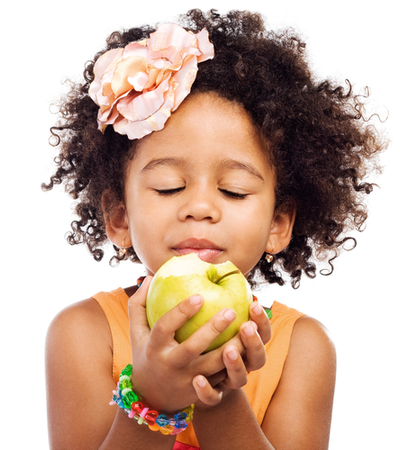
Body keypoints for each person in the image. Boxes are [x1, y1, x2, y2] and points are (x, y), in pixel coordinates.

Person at [43, 9, 385, 450]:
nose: (200, 208)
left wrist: (218, 397)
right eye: (169, 188)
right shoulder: (84, 334)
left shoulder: (302, 348)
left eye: (235, 190)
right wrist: (151, 399)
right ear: (119, 217)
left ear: (278, 224)